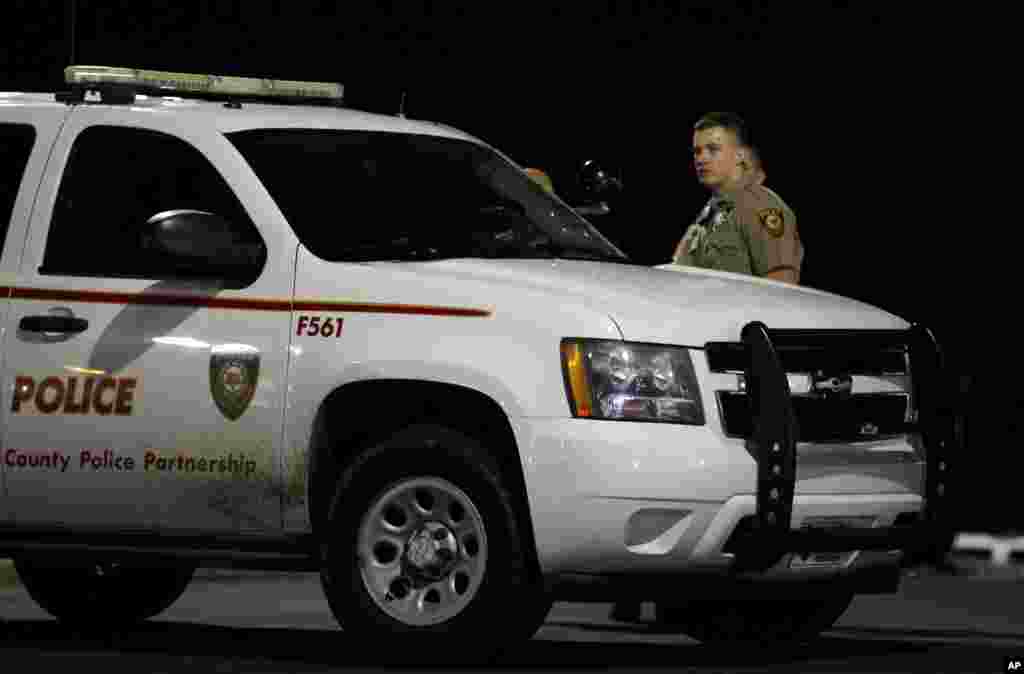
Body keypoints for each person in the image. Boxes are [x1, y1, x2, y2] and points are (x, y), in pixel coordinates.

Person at [671, 112, 802, 285]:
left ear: (740, 155)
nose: (701, 158)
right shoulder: (708, 214)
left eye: (713, 149)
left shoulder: (760, 206)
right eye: (697, 151)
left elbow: (782, 280)